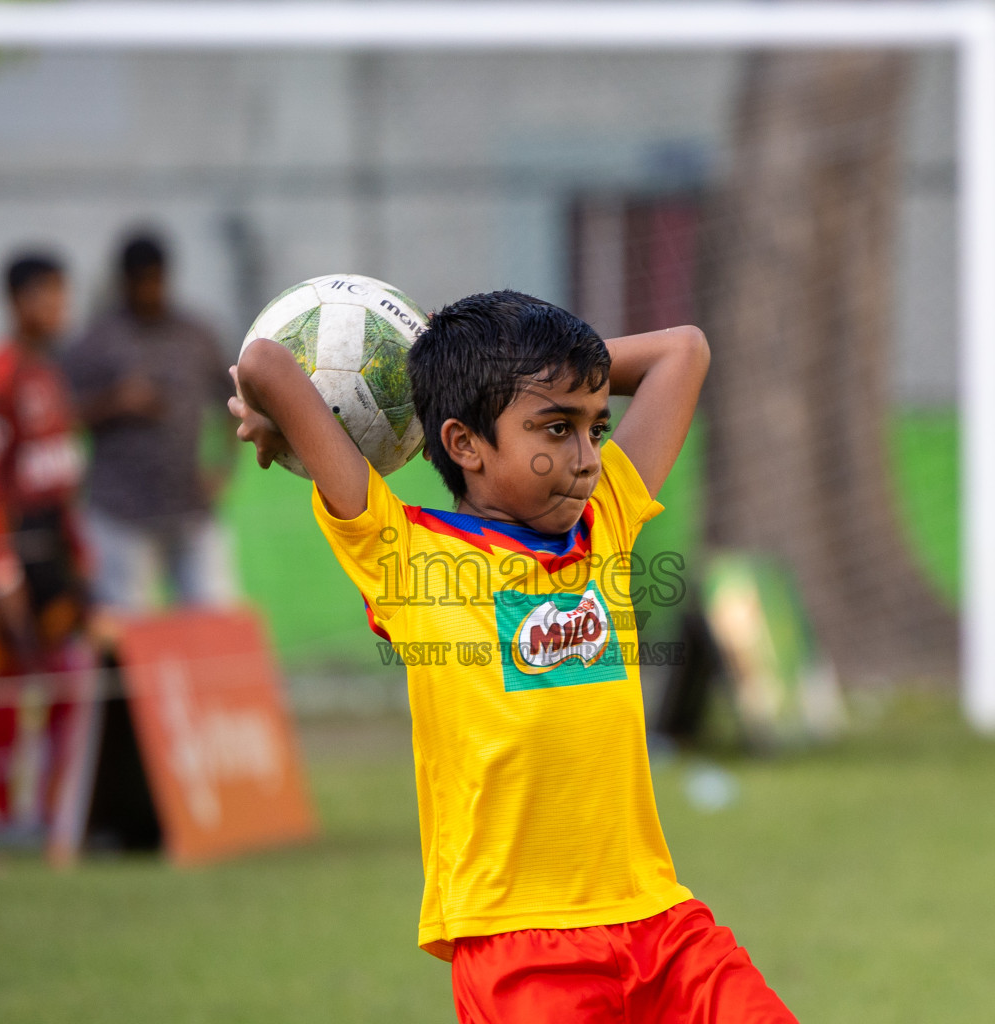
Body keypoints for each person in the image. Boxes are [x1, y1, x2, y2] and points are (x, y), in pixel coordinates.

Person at [230, 291, 796, 1023]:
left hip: (660, 923)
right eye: (555, 428)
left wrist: (529, 376)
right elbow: (267, 363)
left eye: (597, 426)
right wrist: (421, 380)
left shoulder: (608, 521)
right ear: (463, 443)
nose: (588, 458)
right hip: (520, 946)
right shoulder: (402, 556)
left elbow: (683, 348)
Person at [0, 252, 91, 837]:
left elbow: (59, 475)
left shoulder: (49, 372)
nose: (59, 308)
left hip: (54, 552)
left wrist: (78, 551)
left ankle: (48, 810)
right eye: (48, 296)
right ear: (17, 302)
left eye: (62, 296)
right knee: (7, 684)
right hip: (13, 553)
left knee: (66, 676)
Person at [63, 231, 237, 610]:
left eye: (155, 280)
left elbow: (234, 398)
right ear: (123, 282)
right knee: (129, 629)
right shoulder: (98, 340)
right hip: (121, 512)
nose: (149, 291)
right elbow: (61, 414)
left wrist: (223, 467)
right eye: (140, 282)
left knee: (215, 616)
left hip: (191, 505)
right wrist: (115, 402)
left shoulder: (196, 334)